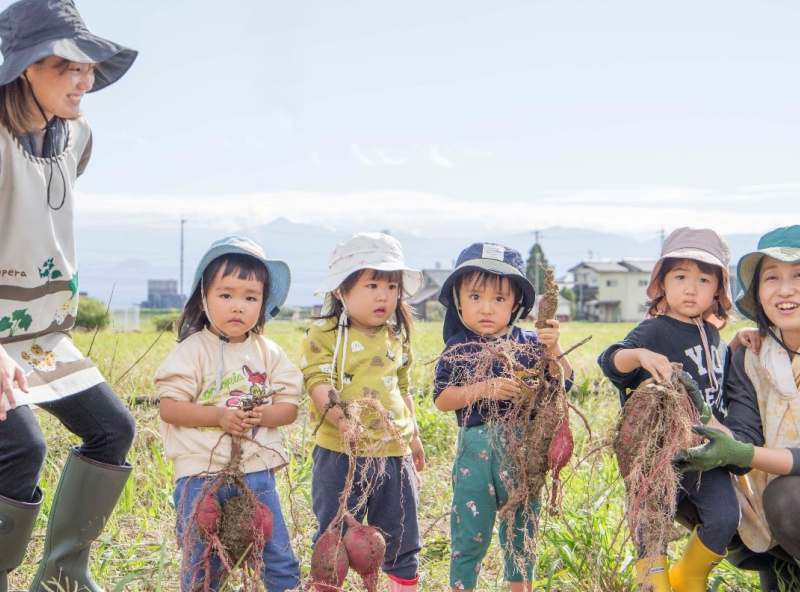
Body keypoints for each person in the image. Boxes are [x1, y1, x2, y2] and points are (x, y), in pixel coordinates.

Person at [0, 1, 137, 590]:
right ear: (27, 68)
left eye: (88, 68)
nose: (85, 82)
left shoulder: (77, 134)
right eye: (69, 67)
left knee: (113, 430)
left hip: (40, 332)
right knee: (21, 447)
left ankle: (61, 578)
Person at [597, 227, 757, 592]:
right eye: (681, 277)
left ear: (718, 290)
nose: (691, 289)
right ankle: (653, 584)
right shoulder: (653, 332)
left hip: (706, 453)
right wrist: (639, 355)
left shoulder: (712, 335)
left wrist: (734, 343)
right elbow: (610, 360)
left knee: (725, 518)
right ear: (662, 283)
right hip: (657, 455)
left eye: (704, 280)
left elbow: (714, 375)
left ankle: (689, 576)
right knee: (651, 524)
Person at [156, 236, 301, 592]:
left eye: (250, 297)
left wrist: (263, 417)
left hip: (257, 473)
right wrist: (219, 417)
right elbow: (170, 408)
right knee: (201, 562)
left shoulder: (269, 352)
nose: (238, 306)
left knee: (277, 556)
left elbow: (289, 408)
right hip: (199, 476)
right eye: (226, 295)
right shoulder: (192, 351)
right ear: (203, 298)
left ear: (263, 303)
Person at [433, 242, 574, 592]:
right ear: (458, 300)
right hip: (474, 456)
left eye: (499, 298)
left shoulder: (530, 344)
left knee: (522, 531)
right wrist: (484, 389)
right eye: (475, 297)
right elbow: (442, 399)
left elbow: (565, 381)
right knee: (469, 531)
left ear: (516, 304)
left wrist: (554, 348)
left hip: (523, 455)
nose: (486, 308)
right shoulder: (457, 348)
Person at [675, 225, 800, 592]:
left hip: (789, 500)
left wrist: (744, 453)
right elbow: (745, 434)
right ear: (758, 293)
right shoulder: (752, 356)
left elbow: (747, 452)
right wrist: (702, 420)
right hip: (780, 505)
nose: (785, 290)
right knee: (692, 479)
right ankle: (782, 570)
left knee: (786, 496)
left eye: (798, 275)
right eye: (772, 278)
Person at [300, 232, 425, 592]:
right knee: (333, 537)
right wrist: (343, 420)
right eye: (372, 285)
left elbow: (402, 389)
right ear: (341, 290)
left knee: (401, 536)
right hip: (340, 453)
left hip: (393, 453)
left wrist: (414, 438)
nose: (383, 295)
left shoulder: (396, 336)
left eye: (391, 286)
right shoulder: (323, 334)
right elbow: (317, 382)